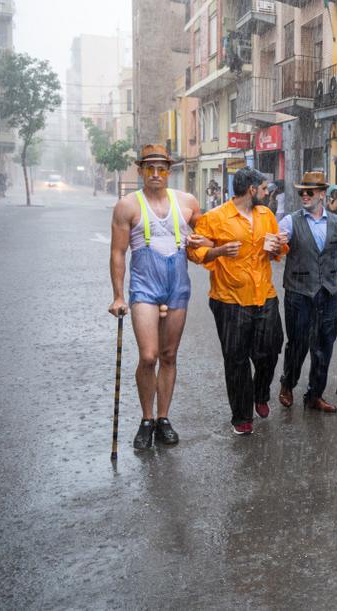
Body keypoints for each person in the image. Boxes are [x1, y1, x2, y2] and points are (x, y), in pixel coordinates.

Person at [108, 144, 202, 450]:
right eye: (150, 168)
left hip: (178, 287)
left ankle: (163, 419)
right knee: (149, 356)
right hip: (144, 288)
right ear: (140, 171)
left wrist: (207, 244)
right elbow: (118, 252)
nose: (156, 174)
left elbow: (205, 241)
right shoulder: (127, 206)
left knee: (169, 355)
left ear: (169, 170)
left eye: (162, 168)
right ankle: (146, 419)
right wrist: (118, 296)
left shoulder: (188, 202)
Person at [188, 167, 286, 436]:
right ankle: (242, 415)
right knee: (237, 359)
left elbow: (277, 249)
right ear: (252, 190)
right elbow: (193, 250)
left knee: (270, 349)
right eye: (265, 189)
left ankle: (260, 392)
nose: (268, 193)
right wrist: (219, 250)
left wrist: (279, 247)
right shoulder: (216, 217)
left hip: (264, 294)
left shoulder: (266, 215)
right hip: (229, 299)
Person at [276, 171, 337, 414]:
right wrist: (276, 244)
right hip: (299, 293)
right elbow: (279, 246)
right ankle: (288, 384)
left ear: (322, 194)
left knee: (324, 346)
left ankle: (314, 394)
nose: (305, 196)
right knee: (298, 344)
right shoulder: (290, 221)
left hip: (329, 293)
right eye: (302, 192)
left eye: (309, 191)